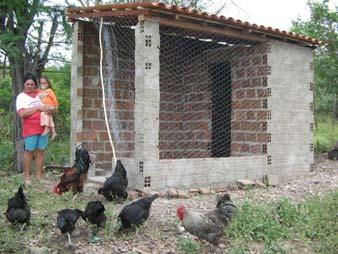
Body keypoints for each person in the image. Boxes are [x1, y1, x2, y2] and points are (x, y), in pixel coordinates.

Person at [16, 72, 54, 185]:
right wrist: (37, 107)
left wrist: (49, 109)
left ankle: (39, 176)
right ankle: (27, 177)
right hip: (30, 128)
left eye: (32, 84)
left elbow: (51, 106)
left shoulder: (40, 94)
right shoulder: (21, 97)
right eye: (28, 84)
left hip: (43, 126)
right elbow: (22, 113)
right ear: (24, 84)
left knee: (41, 151)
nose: (30, 86)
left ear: (35, 84)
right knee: (29, 151)